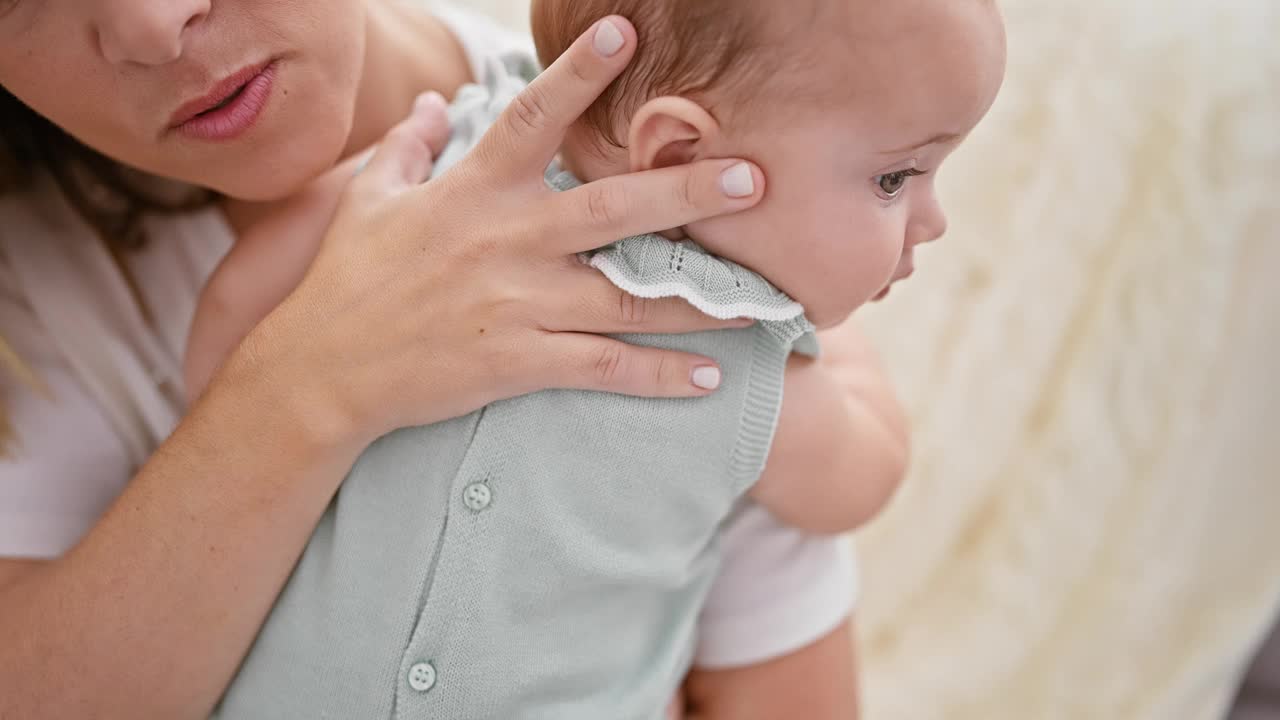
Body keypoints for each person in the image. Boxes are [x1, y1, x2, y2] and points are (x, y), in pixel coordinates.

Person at [0, 2, 873, 718]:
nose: (151, 24)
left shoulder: (667, 168)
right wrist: (312, 376)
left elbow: (784, 675)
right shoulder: (33, 289)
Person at [181, 0, 1004, 717]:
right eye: (896, 178)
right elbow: (861, 478)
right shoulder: (742, 370)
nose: (932, 220)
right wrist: (840, 367)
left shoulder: (438, 166)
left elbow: (231, 316)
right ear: (680, 155)